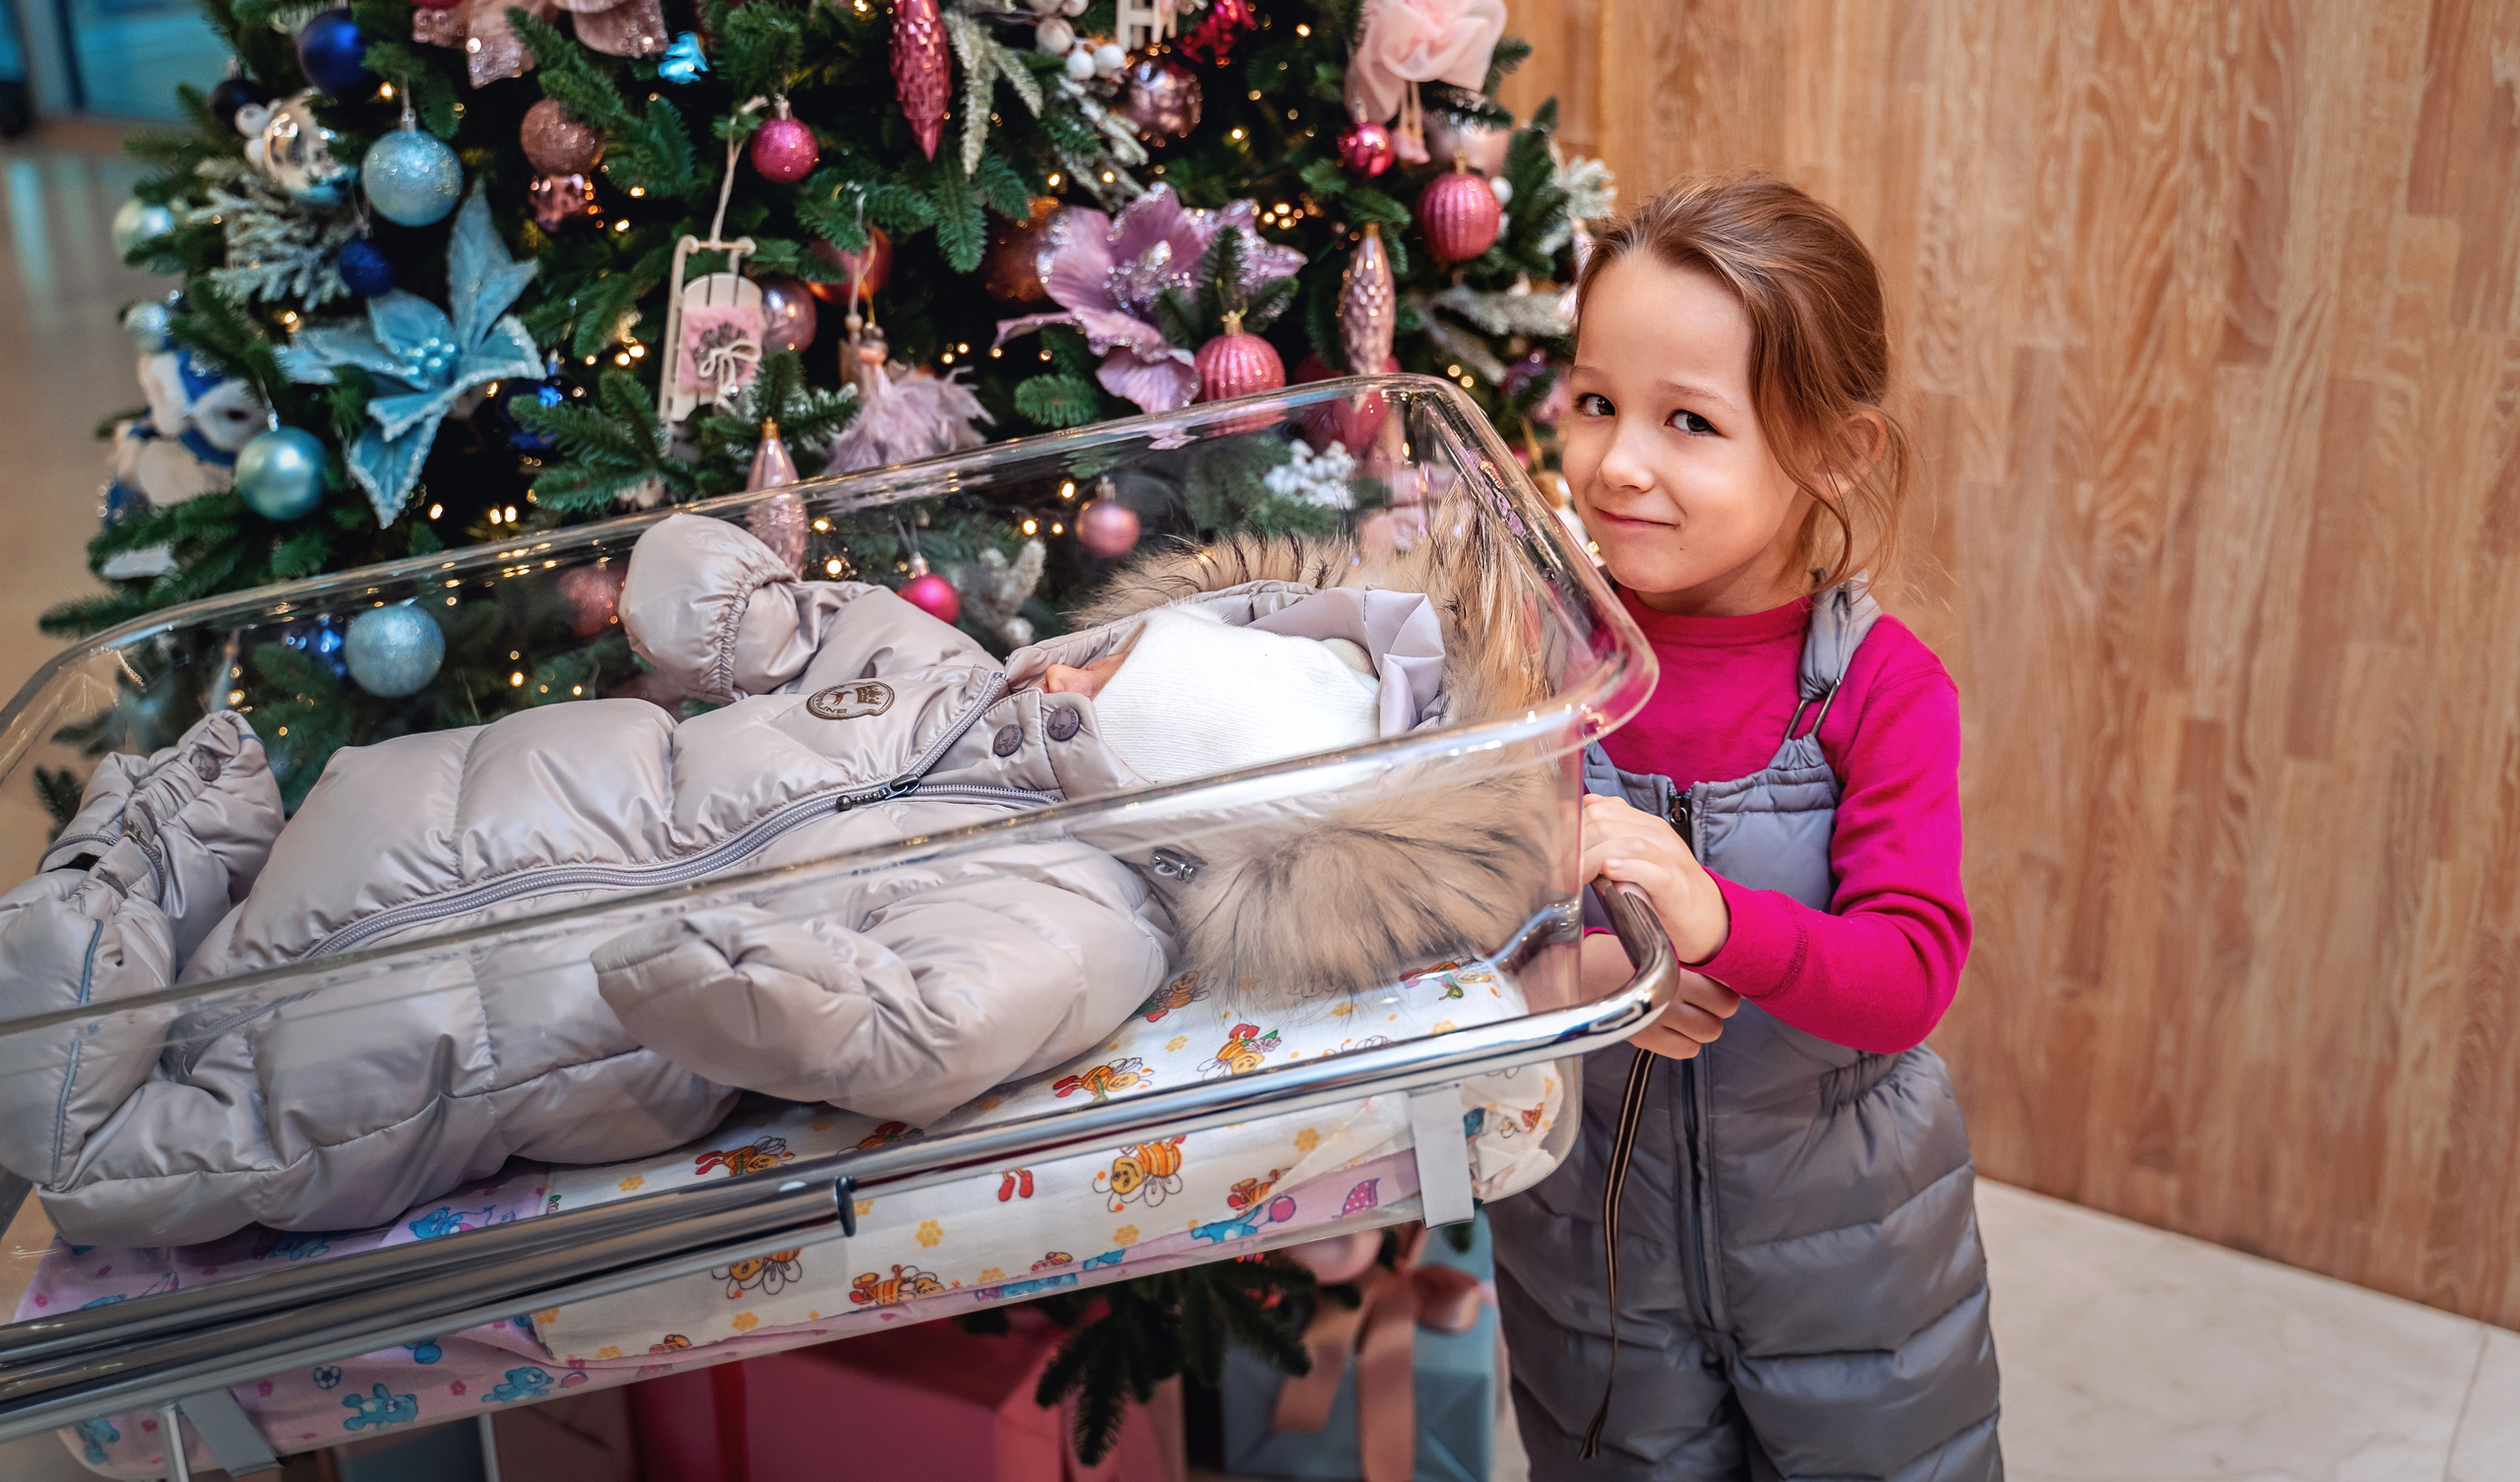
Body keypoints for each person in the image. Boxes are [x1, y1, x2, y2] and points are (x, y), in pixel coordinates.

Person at [0, 516, 1555, 1247]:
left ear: (1159, 792)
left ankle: (91, 1005)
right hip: (482, 806)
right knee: (307, 870)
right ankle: (170, 884)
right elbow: (767, 621)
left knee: (168, 1153)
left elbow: (933, 1027)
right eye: (1117, 631)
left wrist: (766, 998)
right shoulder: (940, 667)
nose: (1068, 653)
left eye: (1106, 681)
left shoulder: (1086, 914)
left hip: (532, 1006)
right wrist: (730, 595)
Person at [1490, 174, 2001, 1479]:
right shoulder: (1536, 663)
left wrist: (1718, 927)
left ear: (1834, 452)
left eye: (1691, 421)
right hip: (1589, 1274)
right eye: (1596, 402)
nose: (1617, 462)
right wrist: (1589, 983)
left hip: (1854, 1281)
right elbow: (1448, 927)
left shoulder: (1882, 693)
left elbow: (1907, 977)